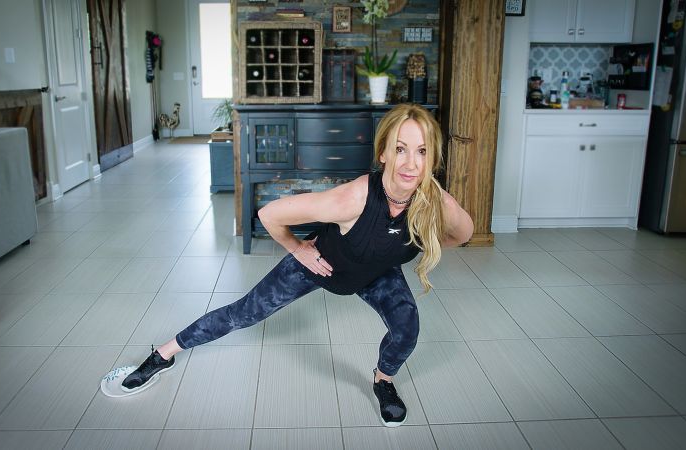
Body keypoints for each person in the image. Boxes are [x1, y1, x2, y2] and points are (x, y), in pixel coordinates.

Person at [121, 103, 474, 427]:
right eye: (400, 149)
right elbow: (269, 214)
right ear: (383, 153)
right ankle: (164, 354)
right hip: (322, 264)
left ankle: (383, 380)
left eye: (422, 151)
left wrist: (413, 242)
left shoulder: (436, 203)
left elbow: (463, 234)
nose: (411, 164)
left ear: (432, 157)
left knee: (407, 328)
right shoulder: (350, 199)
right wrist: (297, 249)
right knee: (243, 314)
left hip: (376, 272)